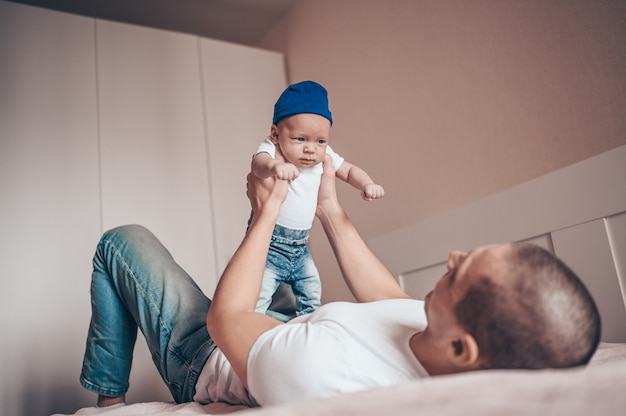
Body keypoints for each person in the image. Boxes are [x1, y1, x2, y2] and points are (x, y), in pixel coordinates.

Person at [80, 155, 601, 409]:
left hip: (212, 351)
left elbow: (227, 320)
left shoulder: (325, 375)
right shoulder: (438, 337)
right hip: (292, 327)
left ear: (463, 348)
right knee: (286, 227)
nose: (453, 256)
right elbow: (386, 299)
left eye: (462, 271)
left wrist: (263, 215)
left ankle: (108, 400)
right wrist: (328, 208)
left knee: (119, 241)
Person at [250, 80, 384, 320]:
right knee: (257, 297)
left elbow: (350, 170)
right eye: (300, 139)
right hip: (271, 244)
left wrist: (367, 184)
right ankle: (254, 327)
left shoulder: (325, 156)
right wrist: (274, 166)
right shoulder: (272, 149)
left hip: (301, 247)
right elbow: (257, 165)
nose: (311, 149)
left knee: (312, 292)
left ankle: (307, 326)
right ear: (276, 134)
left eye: (320, 141)